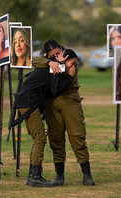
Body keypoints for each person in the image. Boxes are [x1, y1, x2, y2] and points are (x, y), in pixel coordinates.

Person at [32, 39, 95, 186]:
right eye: (52, 55)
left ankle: (87, 174)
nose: (56, 57)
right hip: (52, 102)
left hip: (70, 98)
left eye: (57, 53)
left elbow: (68, 67)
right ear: (47, 55)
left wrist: (57, 64)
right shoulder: (49, 61)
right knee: (56, 138)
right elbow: (34, 61)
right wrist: (50, 63)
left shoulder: (69, 55)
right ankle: (59, 175)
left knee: (77, 136)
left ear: (61, 48)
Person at [12, 49, 77, 187]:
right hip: (28, 102)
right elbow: (55, 90)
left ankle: (34, 175)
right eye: (73, 62)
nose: (74, 66)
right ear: (65, 58)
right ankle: (34, 177)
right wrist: (69, 77)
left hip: (27, 102)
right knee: (40, 138)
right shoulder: (54, 66)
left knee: (38, 138)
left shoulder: (55, 65)